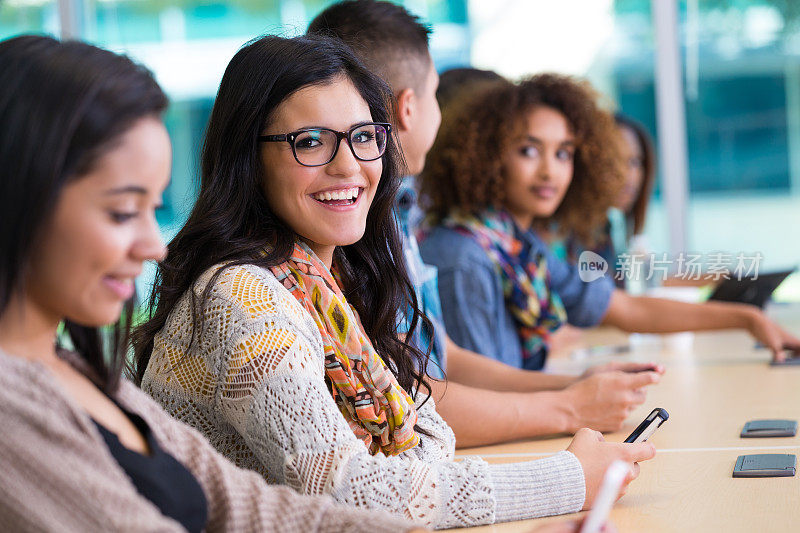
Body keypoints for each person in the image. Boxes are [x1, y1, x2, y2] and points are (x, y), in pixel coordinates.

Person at [132, 34, 654, 529]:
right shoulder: (241, 297)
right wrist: (568, 478)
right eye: (309, 142)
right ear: (249, 158)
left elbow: (428, 435)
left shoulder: (323, 281)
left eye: (363, 138)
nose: (349, 166)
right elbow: (354, 495)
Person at [0, 34, 420, 533]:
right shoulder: (12, 402)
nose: (154, 247)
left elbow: (248, 506)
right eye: (121, 212)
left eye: (151, 210)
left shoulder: (80, 374)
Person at [308, 0, 662, 447]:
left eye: (563, 152)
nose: (550, 172)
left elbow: (440, 361)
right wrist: (569, 403)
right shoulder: (430, 242)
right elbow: (413, 397)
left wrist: (573, 388)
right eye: (308, 142)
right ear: (410, 108)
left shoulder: (401, 215)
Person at [418, 73, 800, 372]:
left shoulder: (518, 246)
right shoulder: (462, 254)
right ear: (486, 154)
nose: (551, 171)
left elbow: (626, 309)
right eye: (529, 150)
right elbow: (480, 389)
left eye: (564, 153)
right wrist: (578, 390)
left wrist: (746, 319)